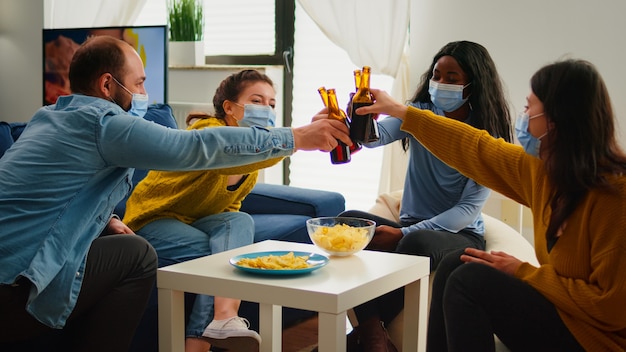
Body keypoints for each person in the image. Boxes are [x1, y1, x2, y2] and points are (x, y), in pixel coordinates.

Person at [0, 35, 350, 352]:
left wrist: (106, 219)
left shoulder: (49, 117)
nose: (143, 94)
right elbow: (196, 147)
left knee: (132, 244)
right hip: (11, 293)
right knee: (136, 255)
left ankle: (214, 325)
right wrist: (296, 138)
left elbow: (50, 192)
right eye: (138, 83)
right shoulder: (103, 124)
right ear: (108, 84)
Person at [356, 59, 626, 351]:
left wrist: (524, 272)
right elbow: (473, 147)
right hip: (563, 315)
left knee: (470, 280)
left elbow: (611, 308)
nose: (523, 117)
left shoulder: (615, 198)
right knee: (455, 264)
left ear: (555, 120)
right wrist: (401, 112)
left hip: (596, 339)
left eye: (528, 107)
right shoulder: (544, 173)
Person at [339, 41, 513, 351]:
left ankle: (366, 336)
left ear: (473, 84)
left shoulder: (485, 134)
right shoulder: (419, 114)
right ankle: (374, 334)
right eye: (437, 75)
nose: (441, 83)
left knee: (415, 242)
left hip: (459, 235)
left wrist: (404, 233)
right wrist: (359, 117)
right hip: (411, 224)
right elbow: (374, 139)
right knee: (347, 222)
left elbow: (468, 211)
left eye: (452, 77)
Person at [123, 69, 282, 352]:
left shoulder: (253, 163)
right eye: (257, 101)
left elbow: (228, 207)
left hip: (195, 223)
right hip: (151, 221)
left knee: (239, 220)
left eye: (271, 104)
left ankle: (224, 316)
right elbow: (226, 156)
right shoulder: (205, 132)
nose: (266, 110)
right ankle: (200, 341)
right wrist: (296, 142)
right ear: (229, 107)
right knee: (225, 256)